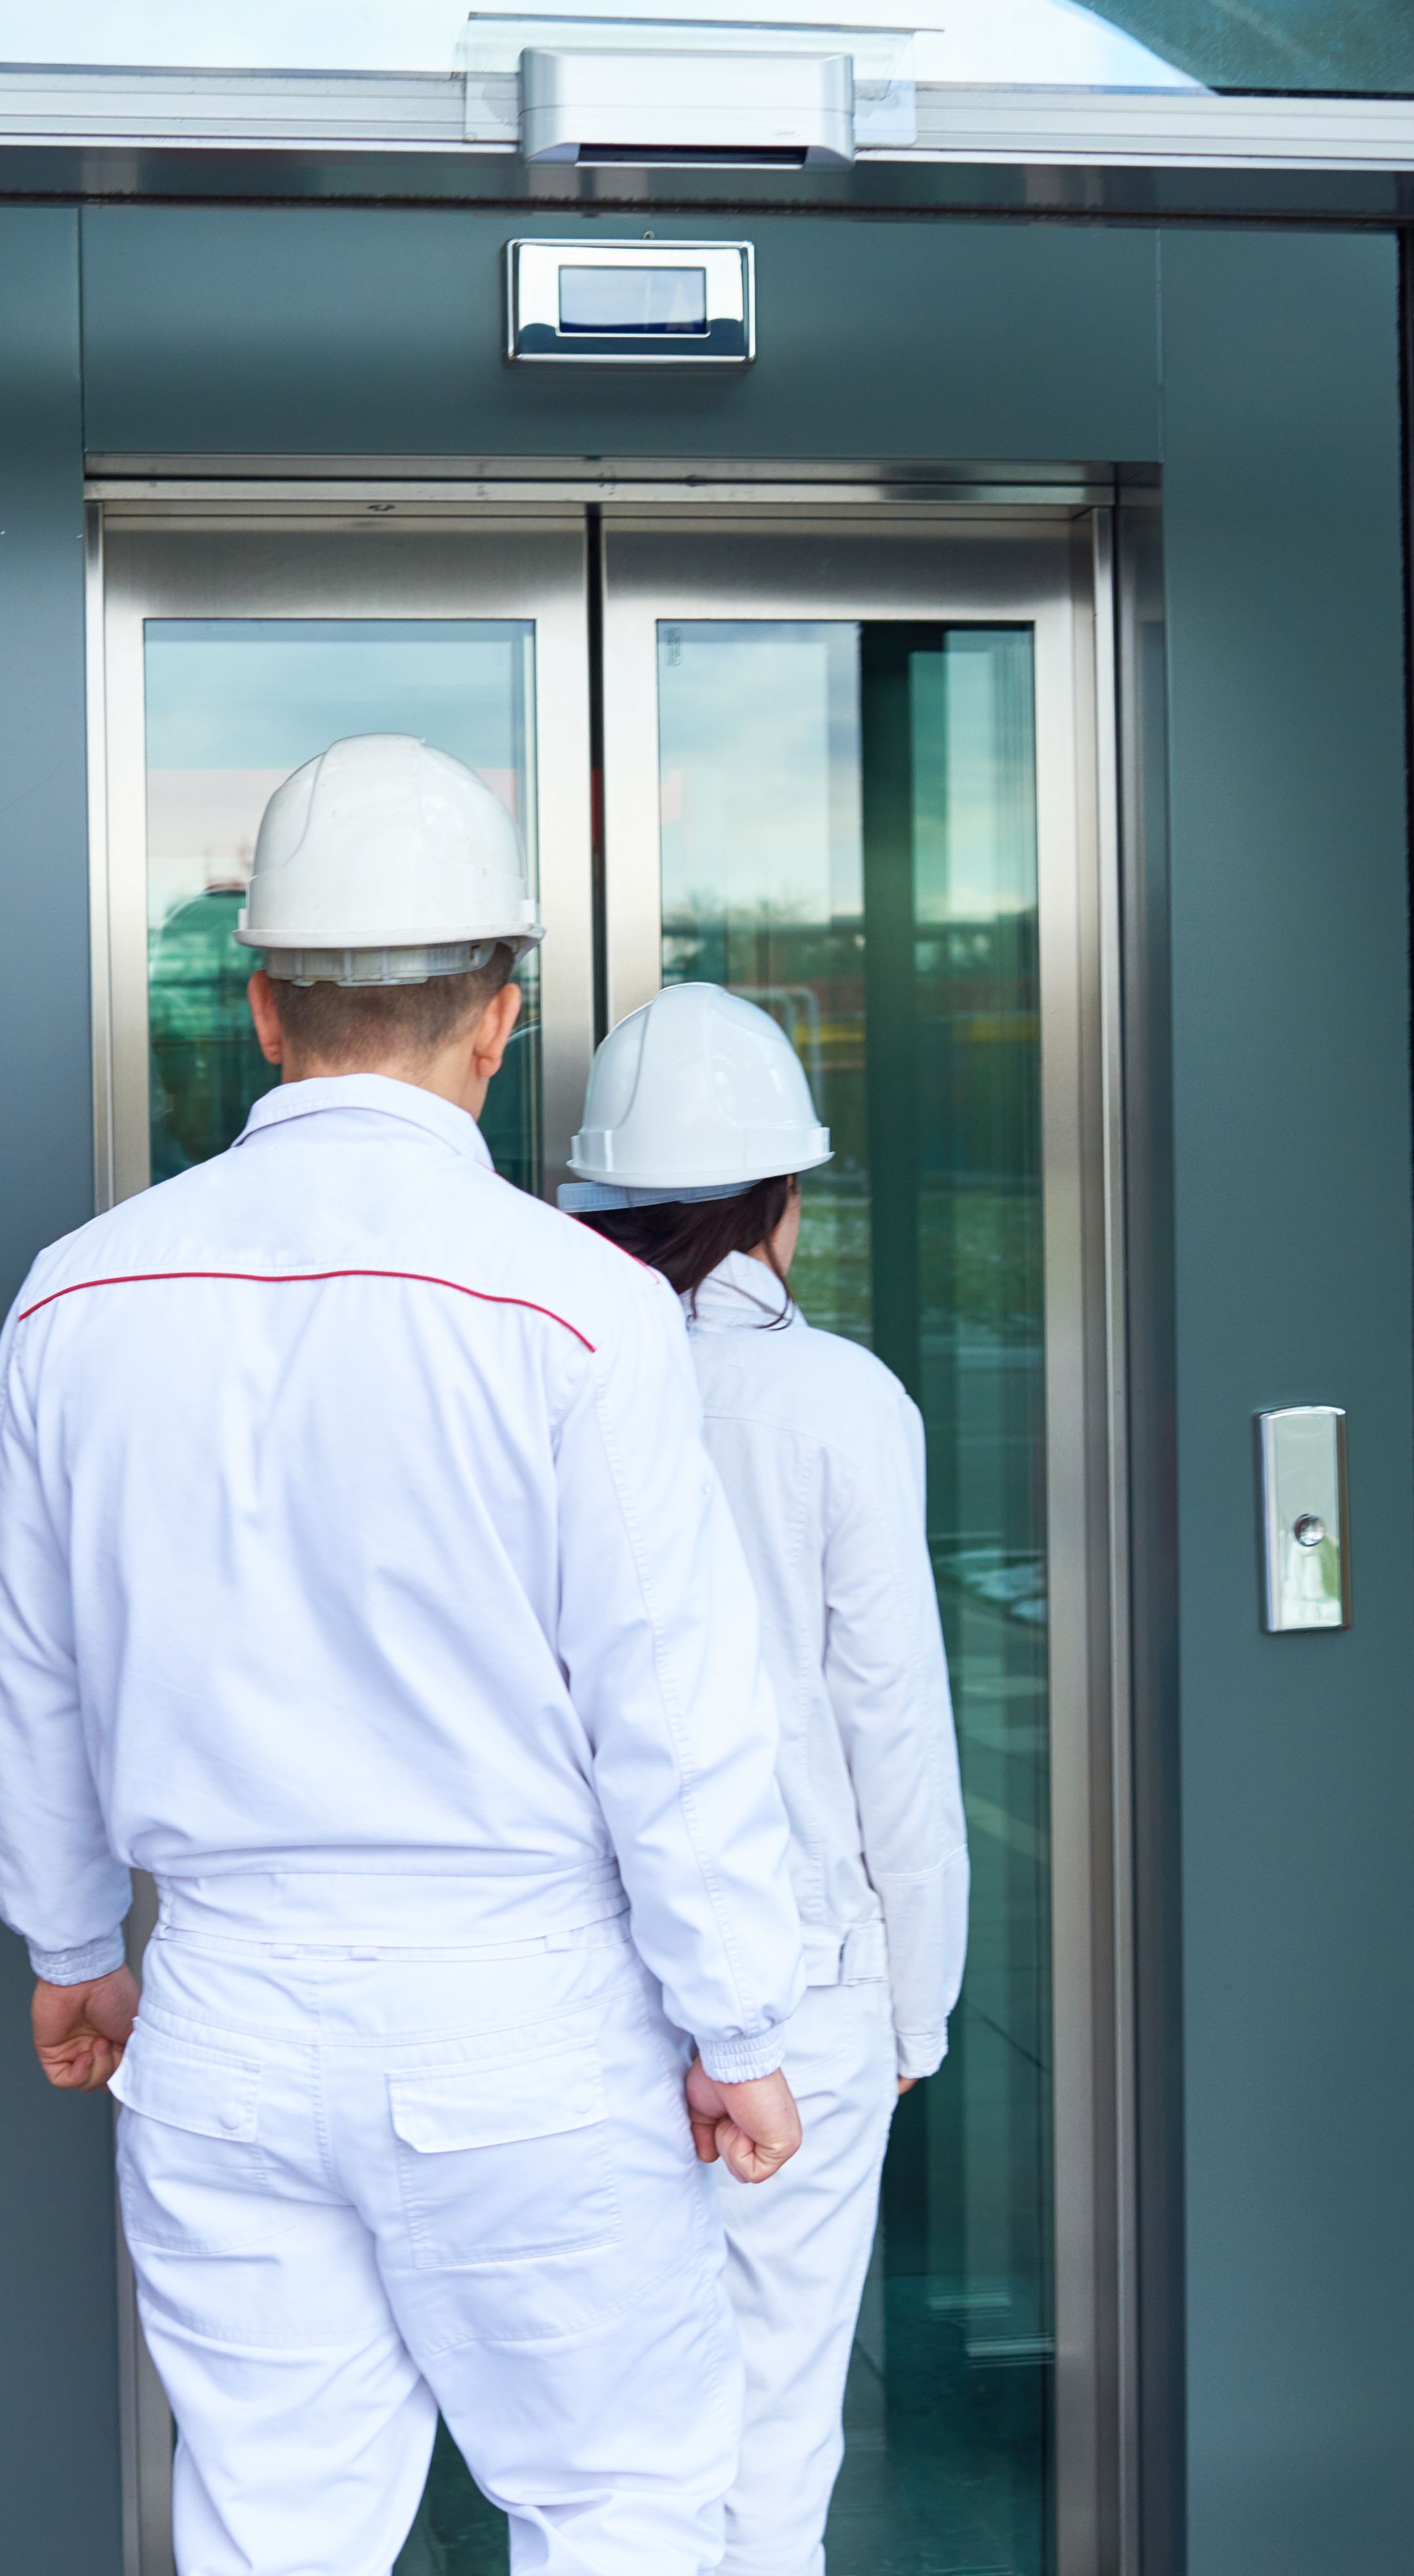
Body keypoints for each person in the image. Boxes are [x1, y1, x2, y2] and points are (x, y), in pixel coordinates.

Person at [0, 733, 810, 2576]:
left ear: (262, 1007)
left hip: (226, 2024)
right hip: (528, 2025)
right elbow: (674, 1709)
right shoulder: (580, 1313)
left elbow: (16, 1681)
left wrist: (72, 1947)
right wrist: (738, 2022)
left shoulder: (76, 1294)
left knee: (275, 2536)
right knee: (625, 2517)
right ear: (499, 1023)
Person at [556, 982, 971, 2576]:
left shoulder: (545, 1381)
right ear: (781, 1206)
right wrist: (917, 2005)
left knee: (602, 2460)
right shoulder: (838, 1404)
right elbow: (897, 1734)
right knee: (775, 2438)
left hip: (583, 1981)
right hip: (803, 1985)